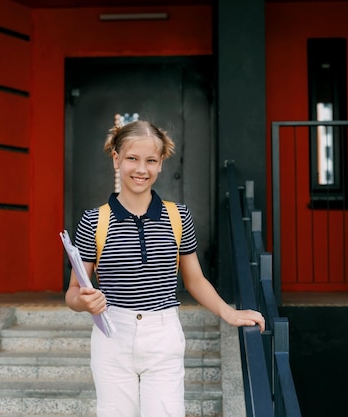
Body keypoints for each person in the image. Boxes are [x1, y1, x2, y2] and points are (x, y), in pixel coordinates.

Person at [64, 120, 265, 417]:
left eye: (150, 161)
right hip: (112, 337)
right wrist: (83, 302)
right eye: (132, 158)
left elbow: (195, 280)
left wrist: (229, 313)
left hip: (163, 335)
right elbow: (72, 293)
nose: (141, 169)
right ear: (116, 158)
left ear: (161, 163)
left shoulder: (178, 216)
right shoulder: (94, 221)